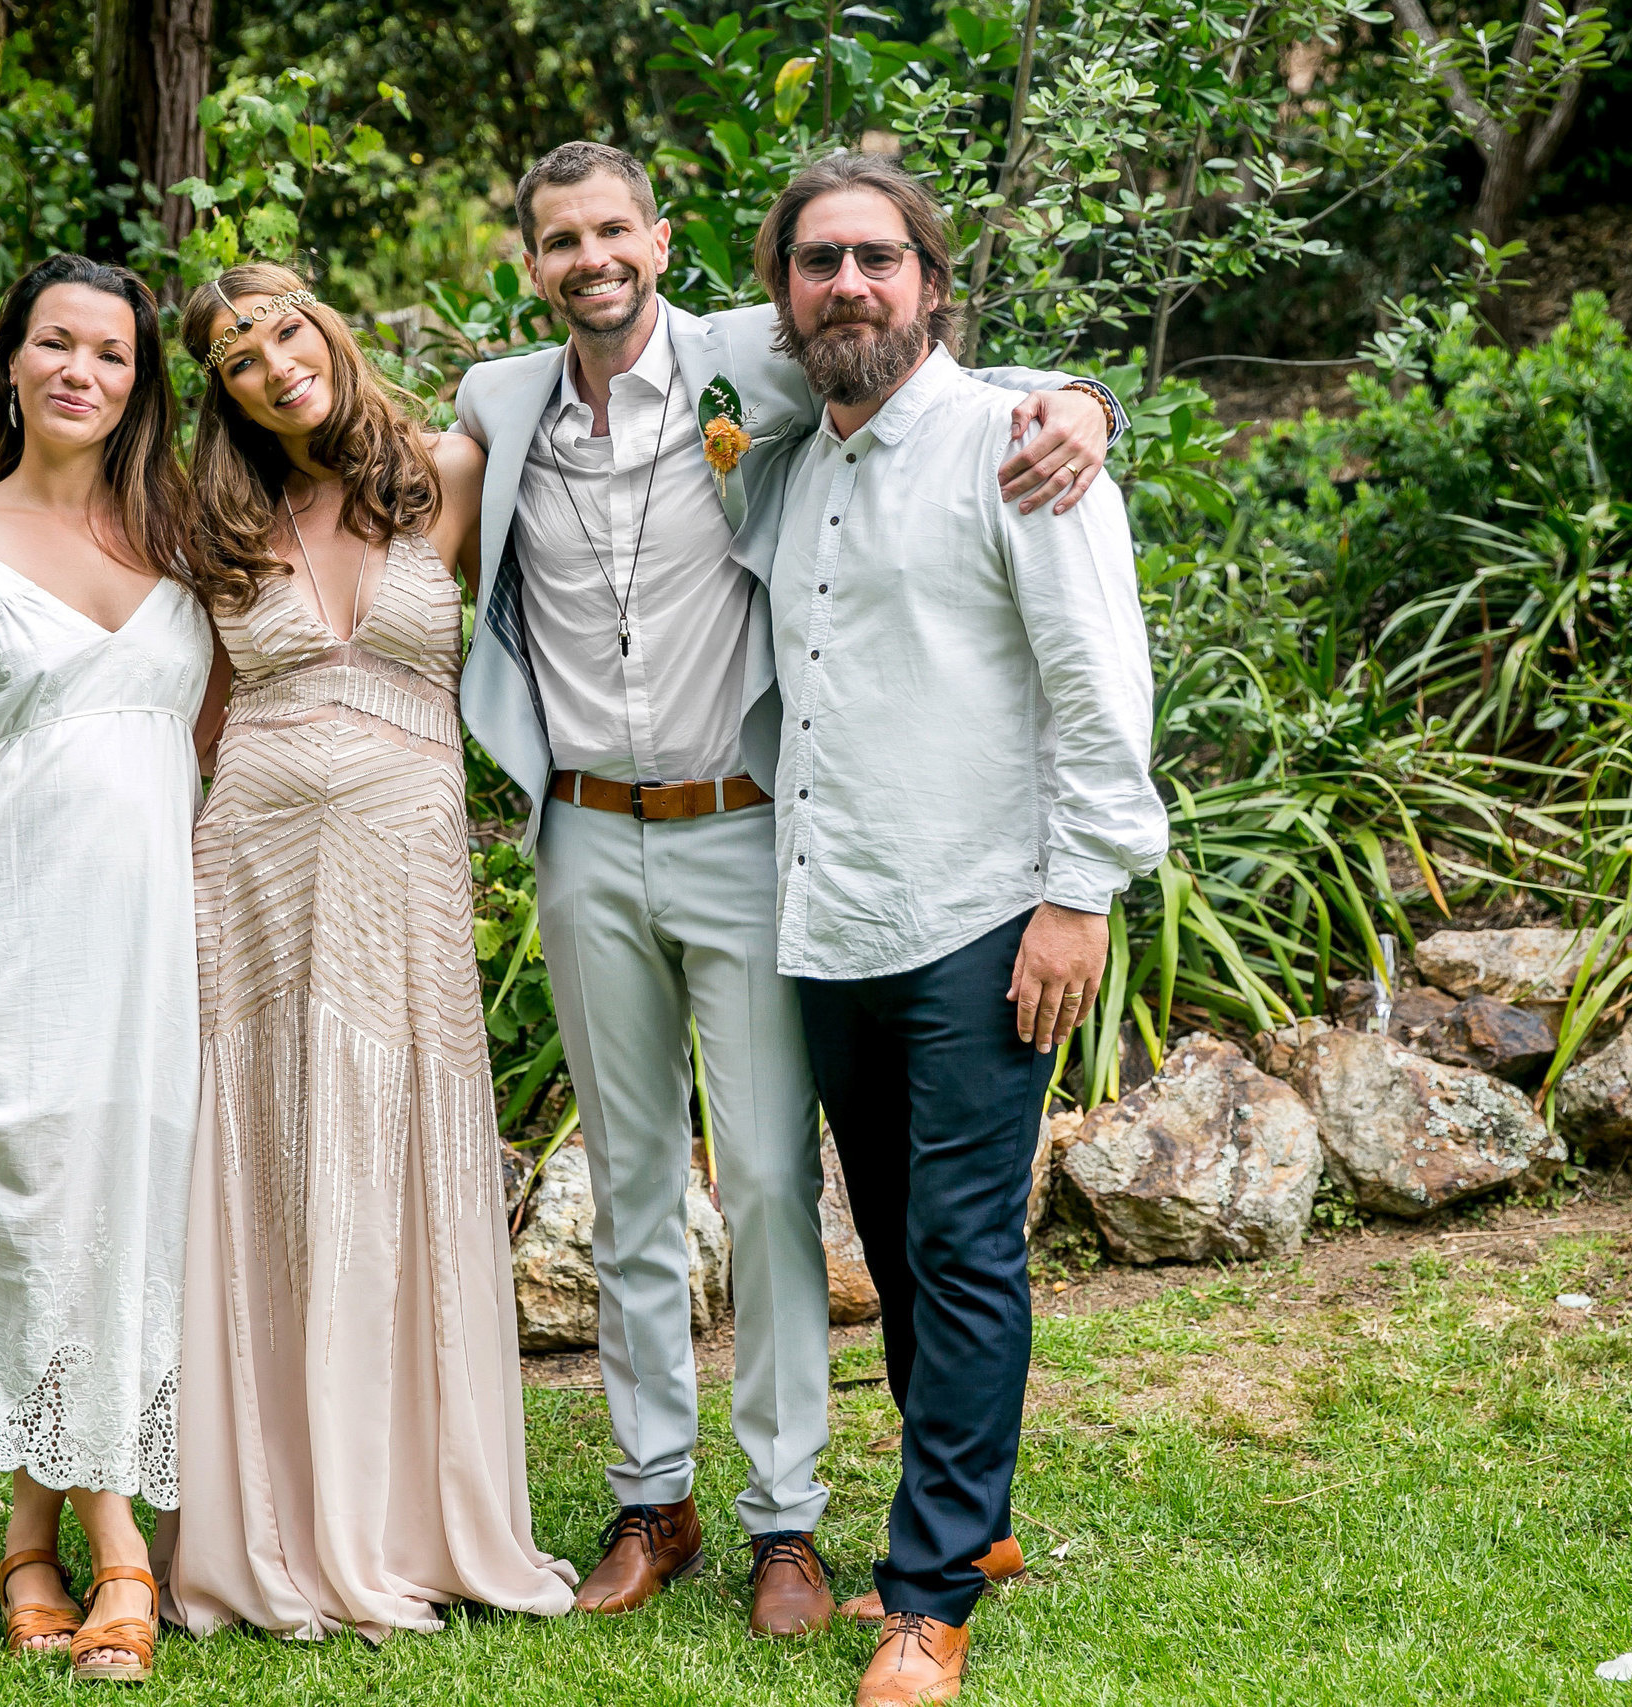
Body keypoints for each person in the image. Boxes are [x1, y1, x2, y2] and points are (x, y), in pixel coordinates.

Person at [452, 140, 1130, 1639]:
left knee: (768, 1184)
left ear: (662, 239)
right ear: (530, 263)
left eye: (614, 229)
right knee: (636, 1178)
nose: (592, 259)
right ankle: (653, 1498)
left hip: (754, 839)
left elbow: (924, 360)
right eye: (560, 239)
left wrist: (1090, 401)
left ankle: (795, 1525)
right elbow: (361, 497)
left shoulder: (756, 362)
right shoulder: (499, 405)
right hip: (588, 838)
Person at [754, 153, 1169, 1706]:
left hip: (988, 912)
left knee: (963, 1244)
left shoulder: (1022, 449)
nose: (847, 284)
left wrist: (1077, 897)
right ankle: (972, 1522)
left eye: (877, 258)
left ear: (931, 281)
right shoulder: (794, 458)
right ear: (785, 294)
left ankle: (928, 1599)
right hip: (835, 917)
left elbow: (1097, 679)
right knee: (899, 1248)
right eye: (817, 263)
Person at [149, 262, 579, 1641]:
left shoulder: (446, 470)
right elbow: (172, 702)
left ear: (326, 327)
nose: (273, 365)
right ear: (220, 394)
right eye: (235, 359)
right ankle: (266, 1523)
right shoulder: (208, 524)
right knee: (267, 1159)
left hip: (404, 871)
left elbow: (600, 383)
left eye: (283, 332)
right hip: (255, 870)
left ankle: (413, 1521)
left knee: (399, 1150)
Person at [0, 254, 220, 1686]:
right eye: (55, 344)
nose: (83, 370)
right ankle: (120, 1551)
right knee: (41, 1212)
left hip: (148, 936)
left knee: (112, 1223)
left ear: (140, 381)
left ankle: (26, 1542)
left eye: (112, 353)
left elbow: (202, 733)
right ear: (7, 362)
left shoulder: (182, 536)